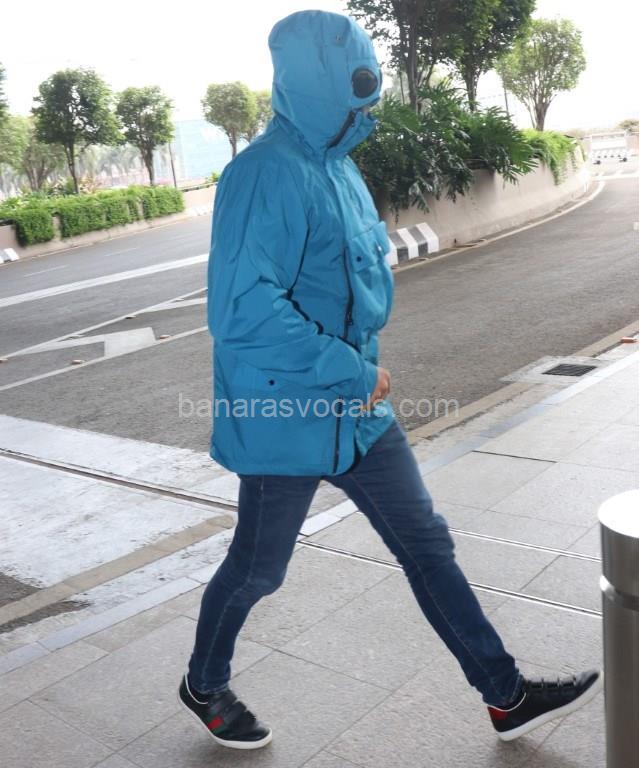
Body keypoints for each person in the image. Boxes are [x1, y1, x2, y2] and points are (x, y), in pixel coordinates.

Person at [178, 9, 601, 751]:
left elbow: (355, 278)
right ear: (317, 84)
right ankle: (203, 682)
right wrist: (349, 368)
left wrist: (358, 362)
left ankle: (504, 695)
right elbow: (240, 311)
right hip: (286, 412)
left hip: (358, 412)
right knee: (258, 570)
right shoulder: (262, 174)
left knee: (426, 545)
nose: (368, 102)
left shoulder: (340, 167)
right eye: (356, 86)